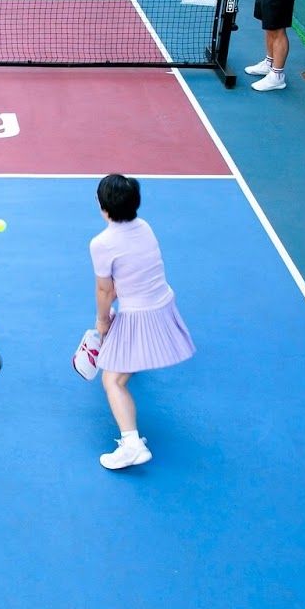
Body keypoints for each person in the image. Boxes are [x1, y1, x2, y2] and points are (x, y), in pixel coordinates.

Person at [86, 175, 195, 471]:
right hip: (163, 305)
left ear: (103, 207)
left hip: (139, 317)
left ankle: (132, 445)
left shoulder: (101, 243)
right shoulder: (145, 227)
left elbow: (105, 290)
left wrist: (102, 321)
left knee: (112, 381)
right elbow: (129, 276)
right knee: (123, 364)